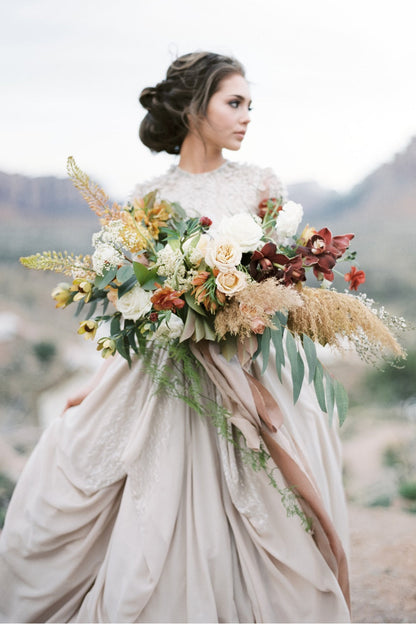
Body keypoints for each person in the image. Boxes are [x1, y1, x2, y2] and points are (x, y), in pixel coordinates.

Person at [0, 51, 351, 623]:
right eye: (234, 103)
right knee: (149, 494)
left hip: (249, 364)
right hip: (168, 372)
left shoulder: (262, 184)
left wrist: (253, 302)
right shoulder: (146, 198)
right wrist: (94, 387)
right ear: (194, 109)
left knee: (267, 500)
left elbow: (284, 282)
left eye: (249, 105)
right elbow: (131, 308)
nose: (246, 117)